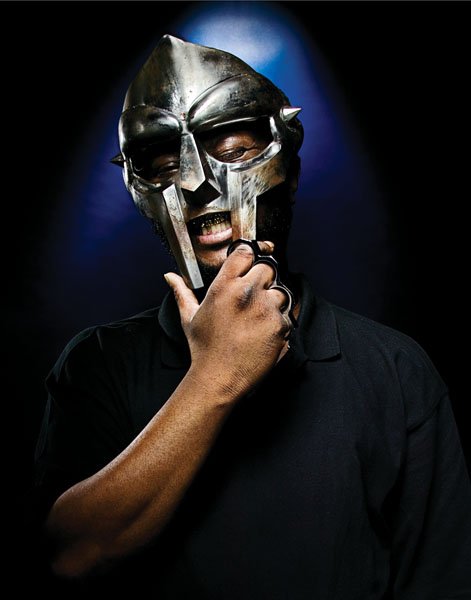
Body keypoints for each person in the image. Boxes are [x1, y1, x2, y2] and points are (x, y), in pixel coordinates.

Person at [31, 35, 471, 598]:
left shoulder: (394, 370)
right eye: (164, 164)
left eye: (234, 151)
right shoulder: (98, 363)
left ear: (289, 166)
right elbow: (69, 556)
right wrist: (215, 376)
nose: (196, 182)